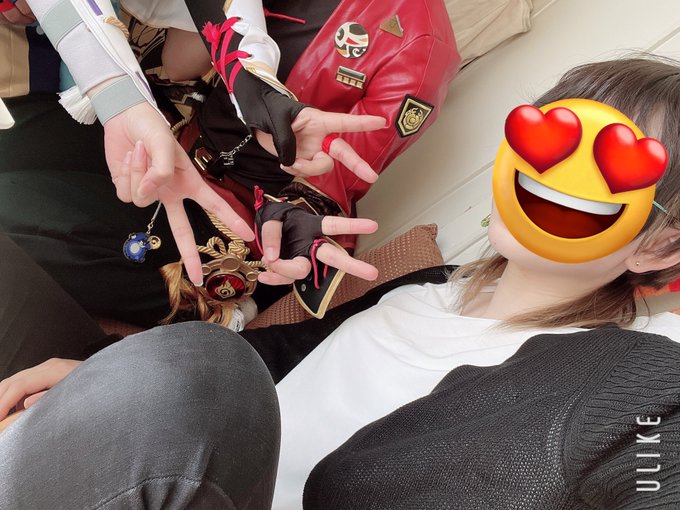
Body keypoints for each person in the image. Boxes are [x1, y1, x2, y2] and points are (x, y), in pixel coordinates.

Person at [2, 55, 680, 509]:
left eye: (607, 169)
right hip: (166, 450)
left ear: (661, 245)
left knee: (201, 365)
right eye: (552, 136)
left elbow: (654, 459)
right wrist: (104, 377)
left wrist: (157, 383)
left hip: (214, 477)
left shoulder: (630, 376)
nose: (556, 175)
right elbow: (265, 364)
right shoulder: (421, 288)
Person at [0, 0, 460, 328]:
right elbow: (181, 58)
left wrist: (285, 219)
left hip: (240, 215)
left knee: (14, 218)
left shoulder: (417, 48)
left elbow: (333, 183)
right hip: (166, 131)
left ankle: (225, 310)